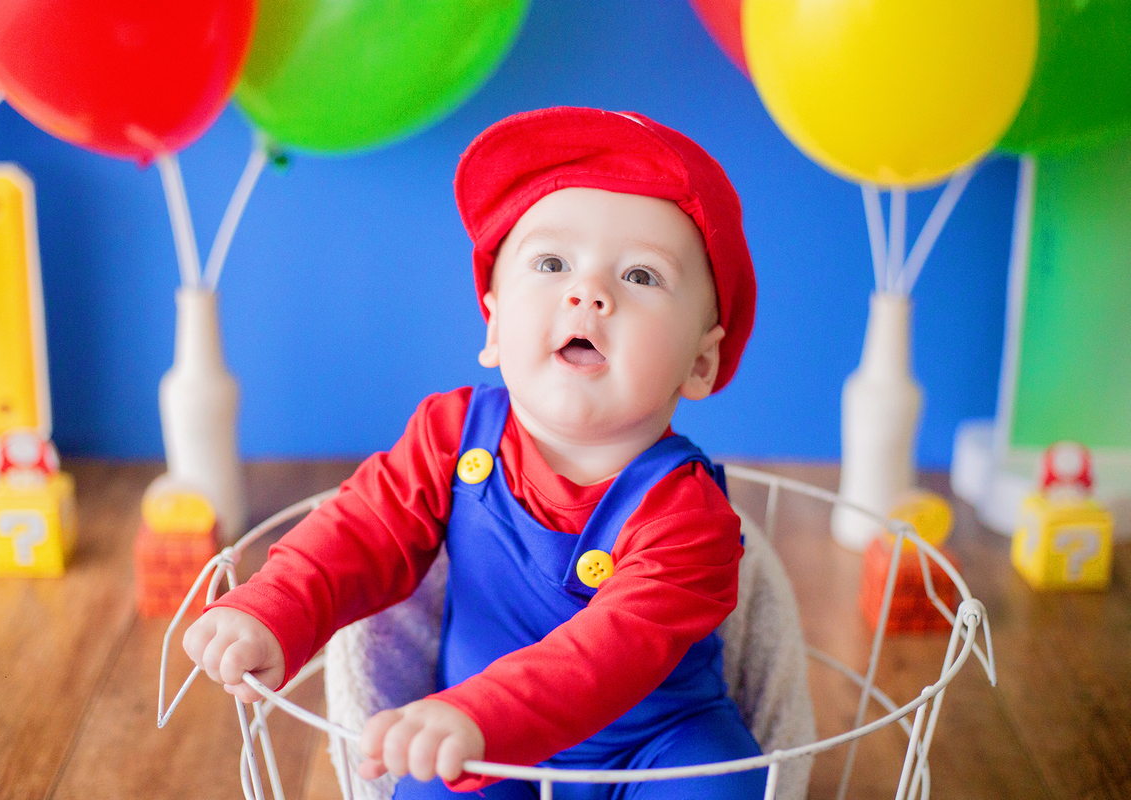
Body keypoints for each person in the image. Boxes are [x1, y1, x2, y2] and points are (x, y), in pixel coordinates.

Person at [183, 106, 764, 799]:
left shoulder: (687, 513)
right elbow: (361, 532)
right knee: (427, 786)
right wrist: (273, 609)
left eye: (640, 276)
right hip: (466, 737)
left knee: (722, 784)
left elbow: (610, 655)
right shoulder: (453, 436)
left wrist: (480, 717)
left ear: (701, 363)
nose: (589, 293)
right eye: (551, 263)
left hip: (653, 745)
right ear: (491, 323)